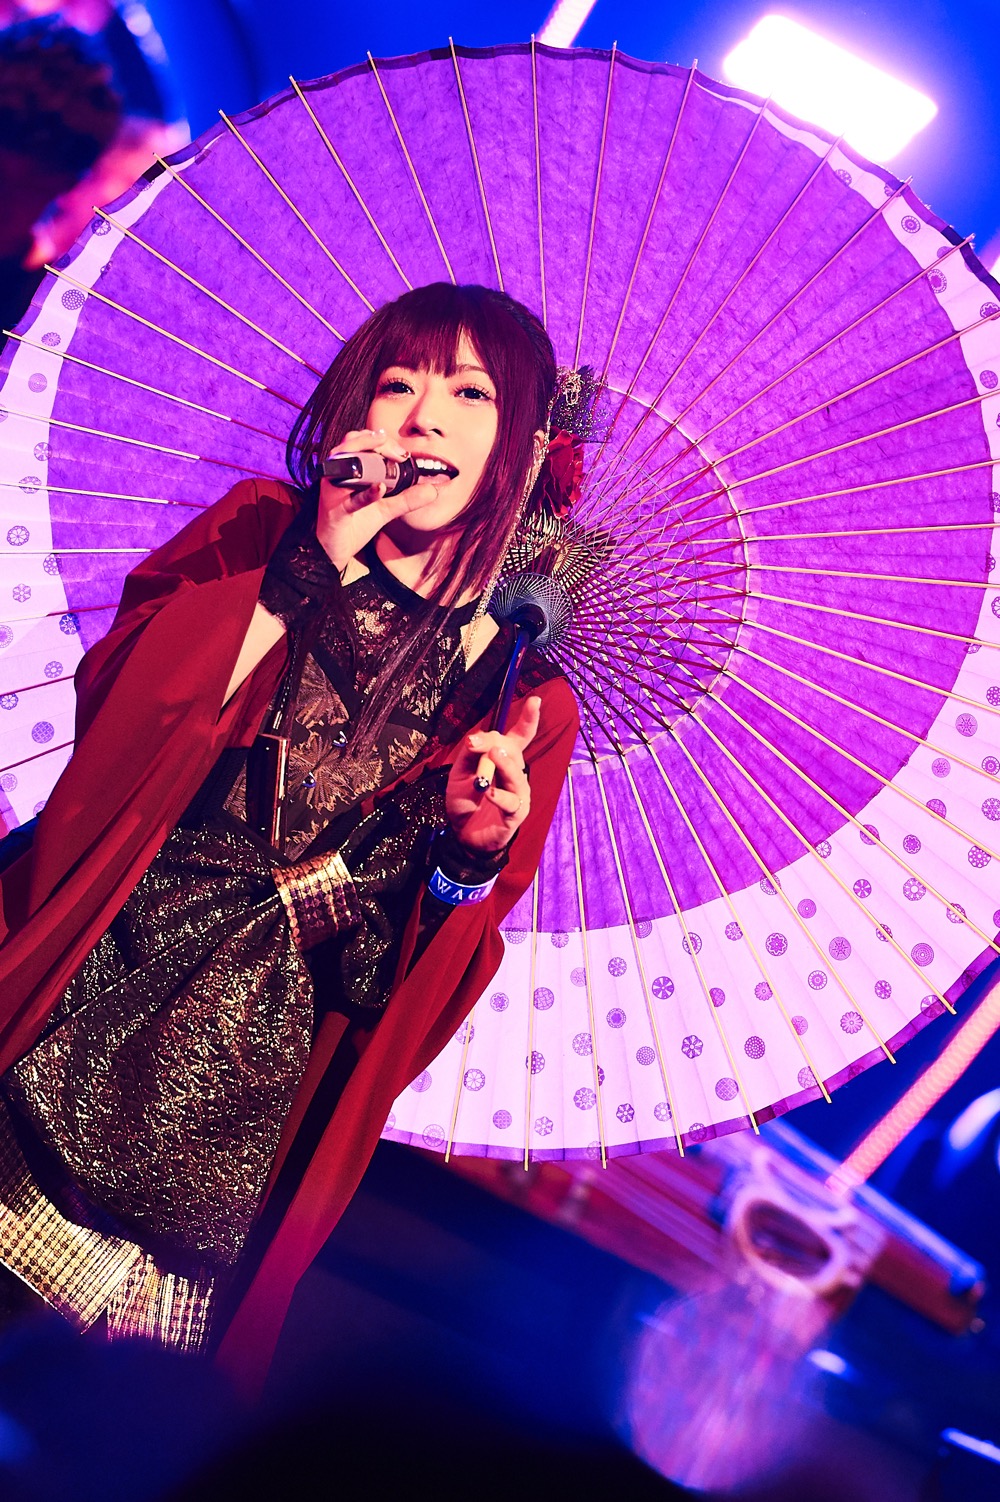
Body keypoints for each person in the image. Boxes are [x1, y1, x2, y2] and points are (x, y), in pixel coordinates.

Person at [0, 282, 580, 1392]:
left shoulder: (524, 701)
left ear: (526, 443)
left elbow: (423, 985)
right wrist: (301, 571)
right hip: (80, 993)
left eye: (470, 393)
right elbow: (120, 720)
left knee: (83, 1420)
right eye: (398, 384)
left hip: (234, 1113)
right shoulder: (264, 526)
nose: (424, 417)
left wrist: (469, 858)